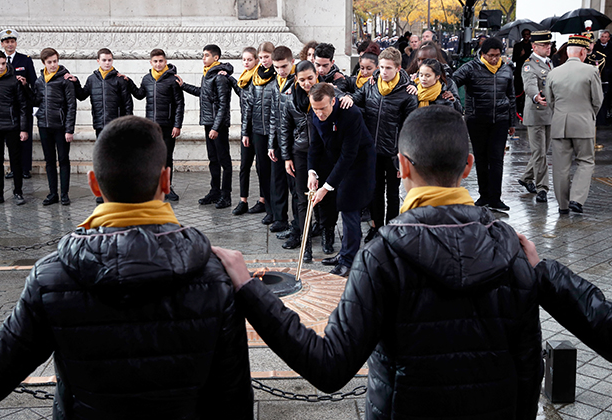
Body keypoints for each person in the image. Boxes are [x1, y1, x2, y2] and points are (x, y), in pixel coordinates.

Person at [214, 105, 545, 419]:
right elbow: (529, 367)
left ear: (401, 165)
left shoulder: (383, 255)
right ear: (468, 165)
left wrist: (249, 290)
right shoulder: (515, 250)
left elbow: (329, 366)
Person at [0, 115, 254, 419]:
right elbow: (234, 397)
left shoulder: (50, 279)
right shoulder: (215, 277)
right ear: (165, 181)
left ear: (94, 183)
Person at [341, 47, 417, 244]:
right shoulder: (371, 85)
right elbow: (357, 97)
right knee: (374, 191)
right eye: (382, 67)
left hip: (393, 152)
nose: (384, 71)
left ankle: (391, 227)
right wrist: (347, 97)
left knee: (392, 193)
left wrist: (404, 156)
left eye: (388, 68)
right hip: (371, 150)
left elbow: (409, 129)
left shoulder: (408, 94)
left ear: (399, 69)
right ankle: (375, 227)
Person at [307, 82, 376, 276]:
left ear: (334, 101)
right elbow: (315, 145)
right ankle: (345, 252)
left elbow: (349, 155)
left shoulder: (350, 114)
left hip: (359, 162)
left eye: (323, 109)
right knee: (341, 204)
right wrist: (312, 172)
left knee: (349, 207)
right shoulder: (316, 111)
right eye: (315, 109)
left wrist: (326, 187)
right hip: (337, 159)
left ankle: (349, 260)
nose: (319, 113)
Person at [453, 37, 516, 212]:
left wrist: (512, 121)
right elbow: (452, 81)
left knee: (497, 158)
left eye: (497, 55)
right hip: (477, 119)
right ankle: (484, 195)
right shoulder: (471, 68)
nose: (494, 59)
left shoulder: (506, 69)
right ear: (483, 54)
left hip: (500, 120)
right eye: (491, 56)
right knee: (481, 158)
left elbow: (511, 96)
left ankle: (495, 198)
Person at [66, 48, 133, 204]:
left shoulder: (119, 79)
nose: (107, 63)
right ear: (98, 61)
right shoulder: (92, 79)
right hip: (99, 125)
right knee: (103, 160)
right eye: (104, 60)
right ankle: (103, 191)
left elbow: (127, 104)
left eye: (109, 60)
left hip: (116, 126)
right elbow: (82, 96)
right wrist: (75, 82)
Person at [546, 34, 604, 214]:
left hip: (559, 124)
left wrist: (560, 114)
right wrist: (588, 114)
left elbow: (550, 101)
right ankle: (577, 200)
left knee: (560, 167)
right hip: (583, 123)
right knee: (586, 161)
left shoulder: (553, 72)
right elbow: (598, 99)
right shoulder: (591, 71)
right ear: (583, 52)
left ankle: (563, 205)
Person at [177, 44, 234, 209]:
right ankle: (214, 192)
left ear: (215, 58)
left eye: (206, 55)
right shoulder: (208, 74)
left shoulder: (221, 77)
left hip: (219, 125)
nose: (203, 58)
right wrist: (183, 85)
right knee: (213, 159)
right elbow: (203, 92)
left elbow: (224, 105)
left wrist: (216, 128)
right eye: (203, 55)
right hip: (209, 123)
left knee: (224, 160)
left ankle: (226, 195)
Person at [127, 48, 184, 202]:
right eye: (155, 61)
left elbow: (179, 104)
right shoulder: (147, 79)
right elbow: (139, 95)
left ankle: (167, 187)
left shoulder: (173, 80)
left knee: (167, 157)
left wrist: (177, 125)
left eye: (161, 61)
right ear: (151, 62)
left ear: (165, 62)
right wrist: (128, 82)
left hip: (168, 125)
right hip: (151, 126)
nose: (158, 64)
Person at [279, 60, 319, 260]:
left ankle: (327, 235)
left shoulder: (327, 94)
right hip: (300, 153)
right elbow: (284, 129)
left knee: (323, 197)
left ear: (316, 75)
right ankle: (307, 246)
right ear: (296, 79)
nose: (306, 83)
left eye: (310, 78)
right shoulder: (290, 99)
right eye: (302, 79)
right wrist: (286, 157)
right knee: (302, 199)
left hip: (322, 153)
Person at [27, 47, 77, 206]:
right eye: (50, 62)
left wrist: (69, 129)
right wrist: (24, 87)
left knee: (63, 159)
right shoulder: (39, 81)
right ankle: (52, 193)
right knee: (49, 161)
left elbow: (71, 106)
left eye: (55, 61)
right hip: (44, 125)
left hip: (61, 127)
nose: (53, 64)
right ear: (44, 63)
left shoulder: (65, 80)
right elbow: (35, 101)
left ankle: (64, 194)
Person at [0, 49, 28, 206]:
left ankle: (18, 192)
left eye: (3, 64)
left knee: (15, 160)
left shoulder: (14, 80)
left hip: (12, 126)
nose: (1, 67)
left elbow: (22, 105)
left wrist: (23, 129)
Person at [241, 42, 277, 227]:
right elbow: (248, 106)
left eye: (266, 57)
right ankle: (269, 210)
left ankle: (278, 213)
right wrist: (245, 132)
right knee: (263, 172)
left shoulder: (278, 76)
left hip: (274, 131)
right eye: (261, 57)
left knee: (275, 174)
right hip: (257, 130)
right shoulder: (254, 77)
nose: (263, 61)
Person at [517, 31, 554, 204]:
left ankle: (526, 177)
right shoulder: (529, 64)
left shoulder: (549, 63)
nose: (549, 47)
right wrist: (535, 96)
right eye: (544, 45)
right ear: (534, 47)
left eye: (549, 44)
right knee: (540, 153)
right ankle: (542, 188)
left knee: (542, 152)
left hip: (548, 114)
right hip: (536, 113)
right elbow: (530, 84)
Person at [230, 47, 266, 216]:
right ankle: (243, 200)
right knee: (244, 165)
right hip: (247, 127)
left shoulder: (258, 79)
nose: (246, 62)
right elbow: (242, 97)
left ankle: (262, 200)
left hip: (255, 129)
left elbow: (250, 109)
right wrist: (229, 78)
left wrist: (245, 133)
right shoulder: (243, 79)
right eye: (244, 60)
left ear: (256, 61)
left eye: (249, 60)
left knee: (260, 166)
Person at [0, 29, 36, 180]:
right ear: (2, 44)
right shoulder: (0, 62)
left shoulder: (25, 60)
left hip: (24, 105)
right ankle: (14, 169)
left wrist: (25, 83)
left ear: (16, 43)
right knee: (11, 140)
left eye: (12, 42)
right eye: (7, 42)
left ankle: (25, 169)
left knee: (25, 138)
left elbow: (34, 82)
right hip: (7, 106)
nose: (10, 45)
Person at [268, 46, 297, 237]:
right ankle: (280, 218)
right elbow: (272, 115)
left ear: (292, 61)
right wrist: (271, 143)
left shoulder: (297, 82)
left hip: (294, 141)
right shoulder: (275, 83)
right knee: (277, 180)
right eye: (277, 67)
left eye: (284, 66)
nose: (281, 71)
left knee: (294, 184)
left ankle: (297, 223)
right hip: (278, 139)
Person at [513, 29, 532, 117]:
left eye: (528, 34)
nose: (526, 36)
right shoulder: (518, 46)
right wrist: (521, 55)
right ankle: (517, 110)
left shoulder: (532, 46)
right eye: (525, 34)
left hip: (530, 71)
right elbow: (514, 59)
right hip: (519, 72)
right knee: (518, 92)